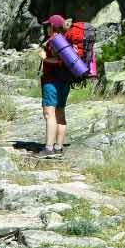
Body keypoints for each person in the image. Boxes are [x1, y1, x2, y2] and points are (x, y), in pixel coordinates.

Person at [36, 14, 83, 158]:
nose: (46, 29)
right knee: (60, 113)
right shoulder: (66, 40)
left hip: (51, 82)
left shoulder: (54, 41)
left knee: (49, 114)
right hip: (65, 81)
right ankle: (59, 147)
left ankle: (48, 148)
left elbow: (58, 60)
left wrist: (44, 57)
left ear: (52, 27)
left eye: (47, 26)